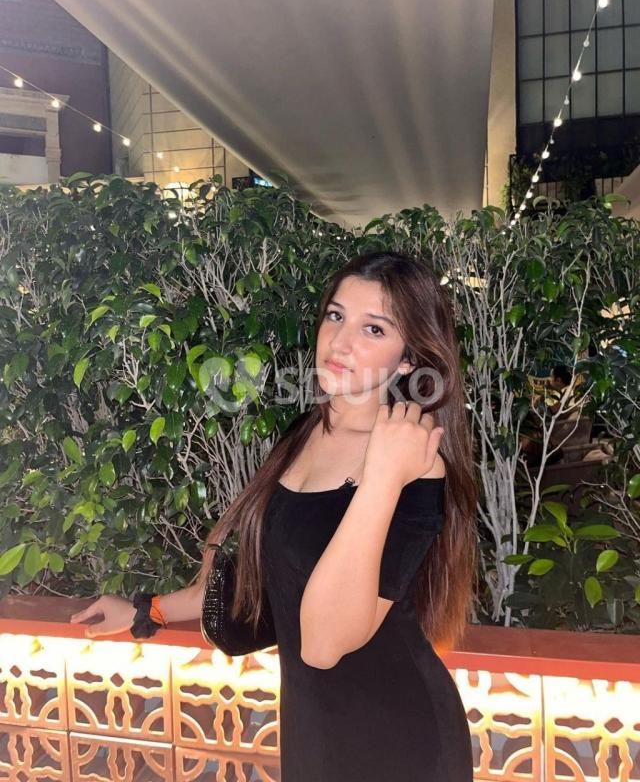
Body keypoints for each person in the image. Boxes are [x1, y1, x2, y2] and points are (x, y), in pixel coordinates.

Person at [70, 250, 477, 781]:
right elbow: (269, 577)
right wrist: (147, 611)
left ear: (407, 358)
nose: (340, 342)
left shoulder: (415, 465)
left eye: (373, 329)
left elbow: (324, 644)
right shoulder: (306, 433)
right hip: (316, 726)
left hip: (399, 737)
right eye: (335, 316)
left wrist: (382, 476)